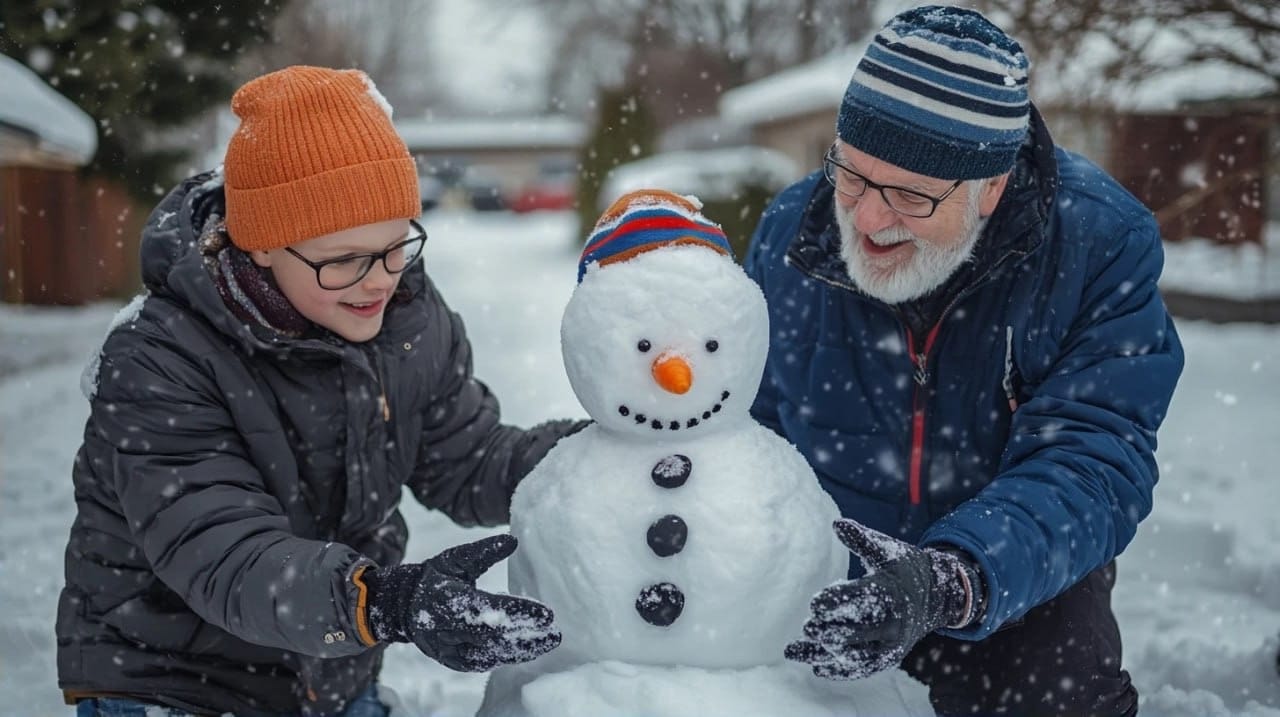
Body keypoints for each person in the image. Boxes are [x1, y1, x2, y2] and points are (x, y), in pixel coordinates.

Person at [56, 66, 580, 716]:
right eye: (345, 259)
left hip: (331, 676)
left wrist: (587, 457)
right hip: (175, 682)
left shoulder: (408, 318)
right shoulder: (163, 358)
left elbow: (468, 459)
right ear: (264, 245)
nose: (380, 281)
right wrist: (384, 601)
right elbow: (225, 554)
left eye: (396, 246)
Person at [744, 6, 1184, 716]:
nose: (866, 219)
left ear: (993, 186)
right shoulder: (792, 234)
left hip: (1005, 584)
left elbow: (1095, 459)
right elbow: (745, 429)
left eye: (911, 195)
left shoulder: (1098, 246)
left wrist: (951, 578)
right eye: (851, 175)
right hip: (826, 583)